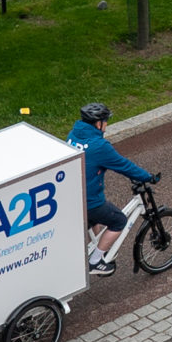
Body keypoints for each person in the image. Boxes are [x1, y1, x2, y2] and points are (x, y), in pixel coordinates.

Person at [67, 102, 156, 276]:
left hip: (73, 194)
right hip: (89, 199)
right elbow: (124, 165)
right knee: (118, 221)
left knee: (96, 220)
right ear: (98, 123)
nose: (106, 125)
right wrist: (148, 177)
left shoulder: (73, 135)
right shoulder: (99, 146)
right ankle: (95, 261)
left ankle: (95, 246)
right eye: (105, 121)